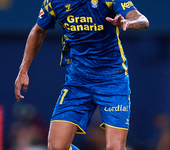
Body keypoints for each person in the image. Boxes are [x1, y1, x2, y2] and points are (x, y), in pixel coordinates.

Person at [14, 0, 149, 149]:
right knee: (56, 146)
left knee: (115, 147)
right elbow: (38, 30)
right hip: (77, 81)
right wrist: (23, 70)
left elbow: (142, 20)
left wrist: (127, 23)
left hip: (112, 79)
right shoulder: (53, 2)